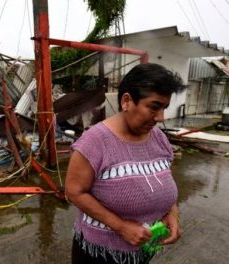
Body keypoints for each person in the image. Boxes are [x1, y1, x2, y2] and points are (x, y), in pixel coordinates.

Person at [65, 63, 185, 264]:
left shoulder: (159, 139)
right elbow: (74, 191)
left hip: (143, 250)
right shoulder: (94, 142)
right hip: (99, 255)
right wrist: (120, 226)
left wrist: (172, 213)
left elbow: (161, 182)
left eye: (164, 108)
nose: (161, 117)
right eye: (154, 107)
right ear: (127, 101)